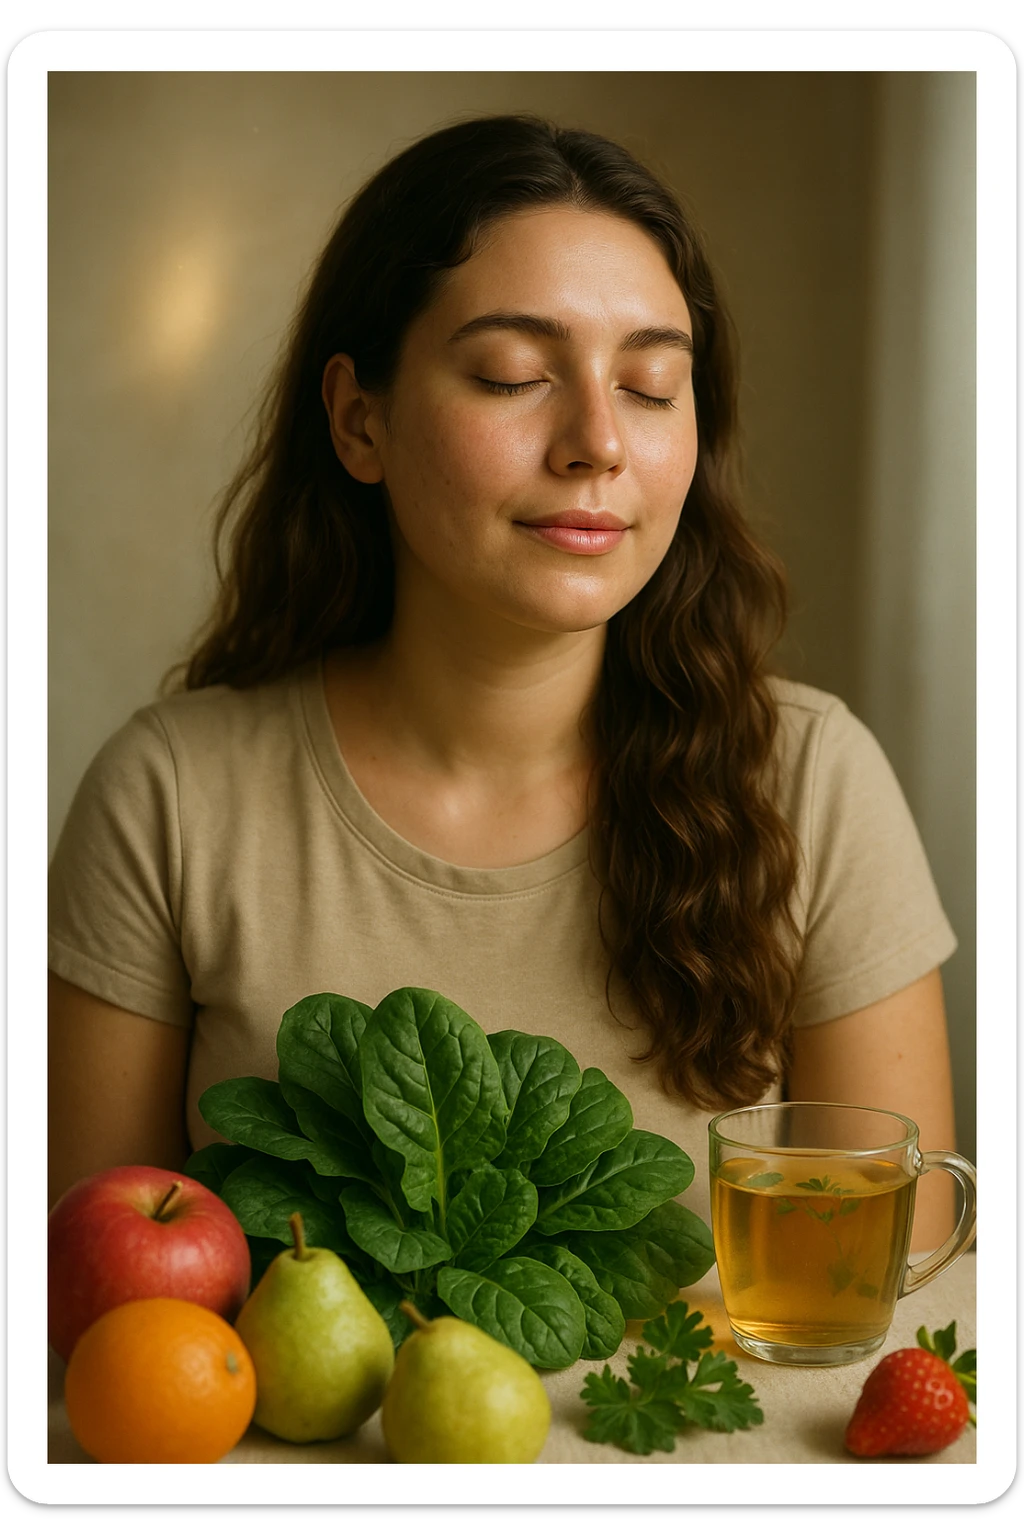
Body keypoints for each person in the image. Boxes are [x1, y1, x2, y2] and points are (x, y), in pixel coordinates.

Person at [48, 113, 959, 1248]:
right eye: (513, 375)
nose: (595, 442)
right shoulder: (168, 798)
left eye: (651, 385)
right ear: (357, 418)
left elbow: (903, 1305)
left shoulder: (814, 781)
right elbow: (94, 1325)